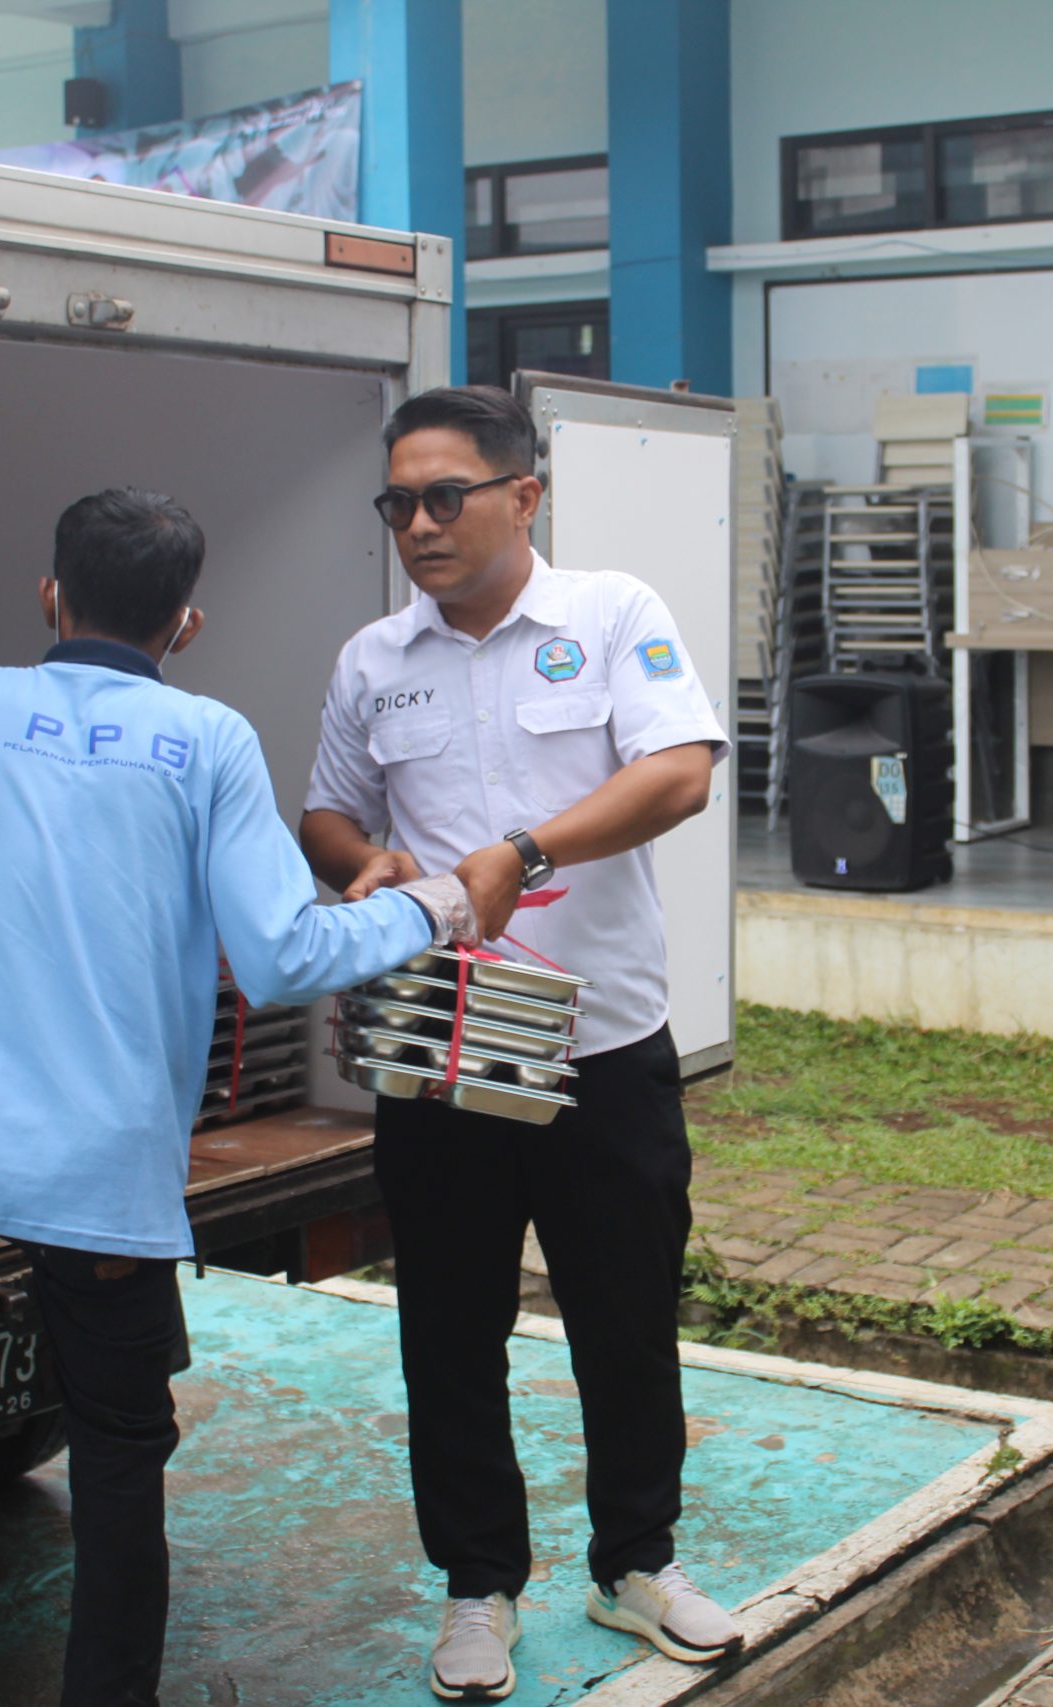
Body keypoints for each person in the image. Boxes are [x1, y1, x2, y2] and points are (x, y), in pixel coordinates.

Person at [0, 487, 475, 1707]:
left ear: (50, 596)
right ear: (185, 625)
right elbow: (282, 959)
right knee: (120, 1454)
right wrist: (433, 906)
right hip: (99, 1182)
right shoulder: (207, 740)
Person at [299, 385, 736, 1701]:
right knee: (449, 1327)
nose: (419, 526)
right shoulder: (374, 659)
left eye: (446, 497)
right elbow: (328, 811)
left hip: (602, 1048)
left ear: (522, 495)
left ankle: (636, 1562)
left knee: (624, 1317)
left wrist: (525, 850)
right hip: (447, 1059)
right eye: (399, 504)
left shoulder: (609, 615)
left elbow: (681, 770)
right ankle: (477, 1584)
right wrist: (367, 861)